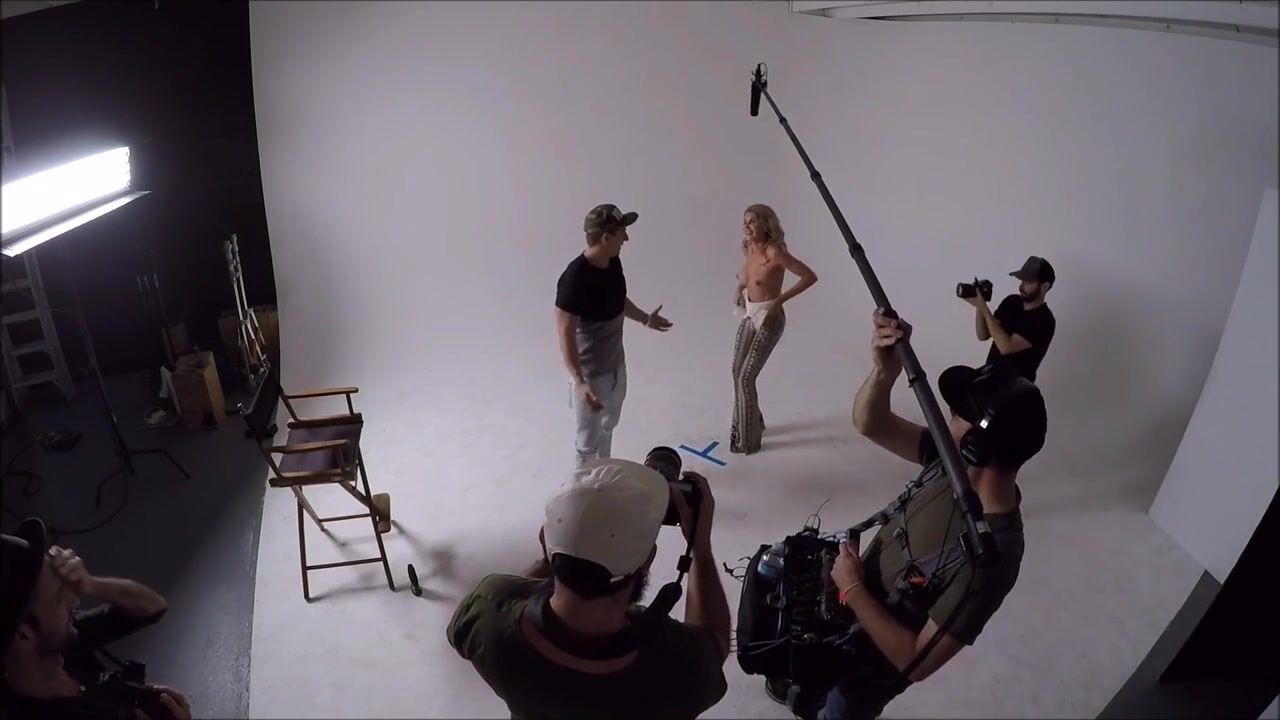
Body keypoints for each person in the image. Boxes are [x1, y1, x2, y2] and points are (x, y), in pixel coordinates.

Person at [768, 309, 1047, 720]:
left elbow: (916, 662)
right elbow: (870, 422)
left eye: (957, 415)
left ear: (977, 447)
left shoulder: (992, 558)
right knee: (811, 672)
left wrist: (853, 587)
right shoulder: (952, 464)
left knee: (841, 710)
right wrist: (884, 372)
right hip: (842, 615)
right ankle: (807, 685)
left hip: (867, 668)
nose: (947, 418)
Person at [446, 459, 731, 719]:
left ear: (545, 540)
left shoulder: (487, 610)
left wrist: (553, 556)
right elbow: (715, 640)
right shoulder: (680, 670)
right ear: (647, 560)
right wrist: (700, 550)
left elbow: (500, 605)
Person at [1, 517, 192, 720]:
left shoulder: (58, 640)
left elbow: (153, 607)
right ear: (23, 633)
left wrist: (91, 584)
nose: (75, 601)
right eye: (59, 598)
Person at [555, 204, 672, 467]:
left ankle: (603, 475)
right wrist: (580, 382)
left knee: (608, 426)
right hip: (592, 375)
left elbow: (618, 299)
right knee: (587, 441)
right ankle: (582, 484)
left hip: (616, 367)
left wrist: (646, 319)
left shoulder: (612, 262)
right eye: (622, 233)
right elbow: (564, 333)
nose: (626, 239)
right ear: (606, 238)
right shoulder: (574, 279)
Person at [730, 204, 818, 454]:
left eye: (752, 221)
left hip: (769, 318)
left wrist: (778, 302)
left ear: (766, 224)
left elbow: (809, 277)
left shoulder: (775, 252)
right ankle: (753, 421)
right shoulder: (748, 247)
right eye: (744, 221)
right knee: (736, 371)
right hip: (749, 313)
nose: (746, 226)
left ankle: (749, 440)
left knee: (746, 378)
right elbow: (748, 276)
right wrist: (739, 289)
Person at [967, 255, 1056, 383]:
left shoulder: (1044, 319)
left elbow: (1006, 347)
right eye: (1022, 281)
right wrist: (979, 305)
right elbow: (983, 335)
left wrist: (984, 308)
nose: (1021, 286)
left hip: (1015, 388)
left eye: (1028, 281)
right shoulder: (1011, 302)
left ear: (1044, 286)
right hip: (990, 379)